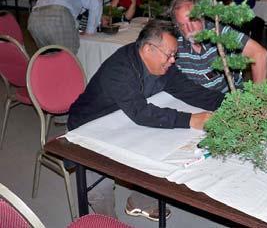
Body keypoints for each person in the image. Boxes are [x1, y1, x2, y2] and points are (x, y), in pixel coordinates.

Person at [67, 19, 224, 219]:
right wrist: (190, 119)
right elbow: (141, 112)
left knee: (159, 146)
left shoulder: (162, 66)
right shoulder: (120, 68)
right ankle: (108, 222)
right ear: (149, 49)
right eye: (170, 55)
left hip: (124, 121)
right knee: (100, 185)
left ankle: (139, 200)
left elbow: (191, 91)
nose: (173, 60)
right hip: (88, 128)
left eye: (175, 55)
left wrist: (230, 102)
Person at [170, 0, 267, 93]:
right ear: (177, 26)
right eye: (183, 24)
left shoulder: (219, 33)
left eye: (194, 20)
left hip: (228, 98)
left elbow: (260, 54)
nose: (190, 29)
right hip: (194, 100)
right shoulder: (175, 43)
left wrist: (257, 97)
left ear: (202, 17)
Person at [28, 0, 102, 54]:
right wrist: (89, 33)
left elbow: (72, 15)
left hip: (34, 19)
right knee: (67, 57)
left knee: (50, 57)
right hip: (56, 16)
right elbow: (96, 4)